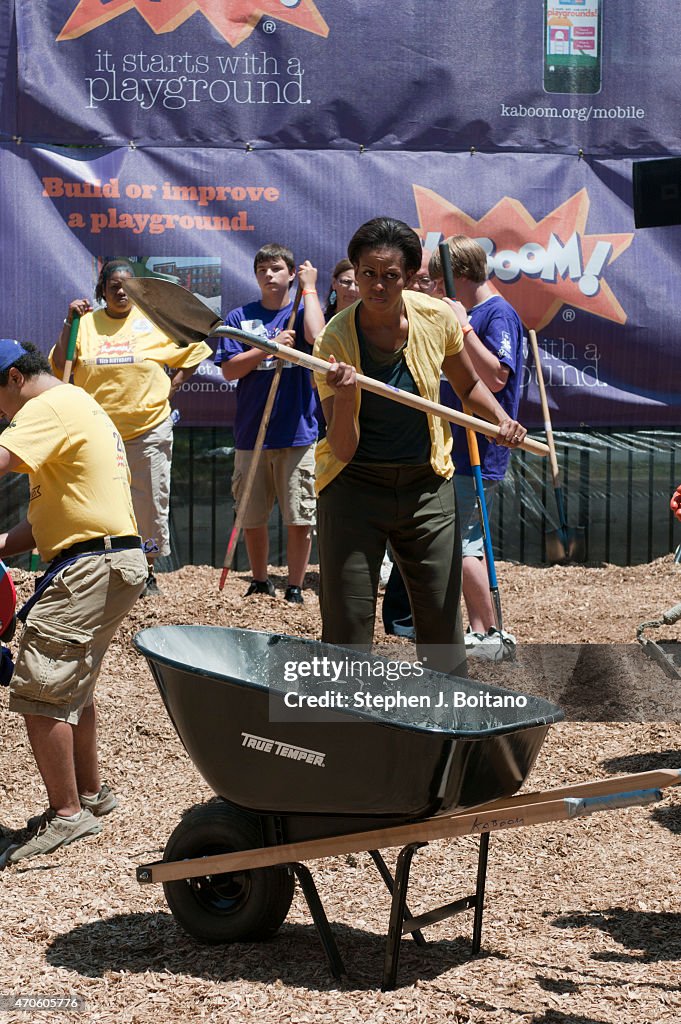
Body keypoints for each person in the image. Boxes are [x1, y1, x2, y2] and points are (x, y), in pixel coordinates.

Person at [313, 217, 527, 672]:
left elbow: (469, 387)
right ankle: (344, 729)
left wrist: (503, 421)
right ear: (355, 270)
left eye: (391, 276)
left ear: (411, 277)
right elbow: (343, 448)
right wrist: (348, 394)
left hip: (427, 488)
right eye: (367, 273)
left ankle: (447, 727)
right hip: (353, 489)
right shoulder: (333, 341)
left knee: (441, 628)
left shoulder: (437, 318)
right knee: (348, 626)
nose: (377, 285)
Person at [0, 339, 148, 865]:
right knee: (72, 686)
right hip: (107, 559)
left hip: (90, 564)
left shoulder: (46, 406)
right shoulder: (75, 406)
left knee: (40, 687)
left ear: (15, 378)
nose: (1, 412)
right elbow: (47, 520)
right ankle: (90, 795)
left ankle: (67, 815)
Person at [51, 259, 212, 598]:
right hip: (98, 435)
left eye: (127, 285)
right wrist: (70, 321)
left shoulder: (155, 321)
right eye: (113, 286)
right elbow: (59, 363)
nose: (121, 291)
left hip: (148, 429)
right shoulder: (87, 324)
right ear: (103, 291)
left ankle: (147, 571)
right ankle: (99, 569)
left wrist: (174, 384)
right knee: (99, 503)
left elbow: (197, 349)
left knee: (149, 503)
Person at [430, 236, 523, 661]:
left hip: (481, 446)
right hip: (454, 443)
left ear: (460, 276)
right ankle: (484, 629)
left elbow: (497, 376)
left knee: (463, 542)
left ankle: (486, 632)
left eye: (437, 280)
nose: (434, 288)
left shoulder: (497, 313)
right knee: (466, 540)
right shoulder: (471, 311)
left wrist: (463, 325)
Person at [215, 244, 325, 603]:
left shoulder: (301, 311)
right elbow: (230, 369)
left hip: (297, 432)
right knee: (252, 514)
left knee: (299, 515)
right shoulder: (238, 317)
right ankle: (260, 580)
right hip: (252, 435)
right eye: (262, 269)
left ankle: (294, 585)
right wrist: (269, 346)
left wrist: (309, 289)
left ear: (291, 273)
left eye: (276, 268)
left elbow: (318, 339)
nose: (268, 274)